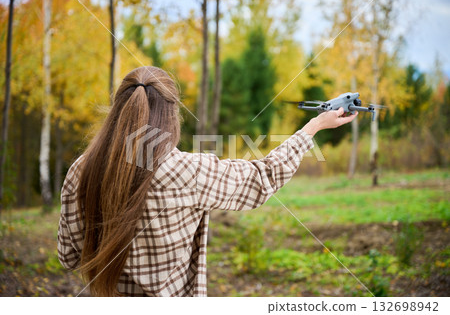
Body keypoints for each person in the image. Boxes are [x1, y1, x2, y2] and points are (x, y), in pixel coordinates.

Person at [57, 66, 358, 297]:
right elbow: (263, 176)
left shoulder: (80, 170)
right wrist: (315, 126)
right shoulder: (187, 172)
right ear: (171, 115)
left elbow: (68, 257)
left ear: (118, 111)